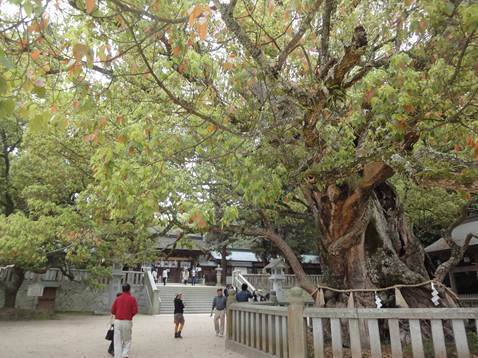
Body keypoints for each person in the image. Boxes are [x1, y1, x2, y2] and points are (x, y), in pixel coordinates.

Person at [111, 284, 138, 358]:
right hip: (127, 321)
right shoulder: (132, 299)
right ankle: (124, 354)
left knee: (117, 341)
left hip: (117, 321)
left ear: (122, 290)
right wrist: (130, 315)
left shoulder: (118, 299)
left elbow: (113, 311)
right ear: (129, 289)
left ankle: (118, 356)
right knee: (127, 340)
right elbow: (135, 311)